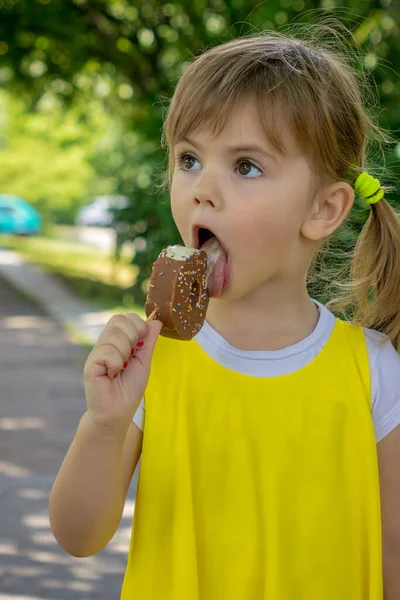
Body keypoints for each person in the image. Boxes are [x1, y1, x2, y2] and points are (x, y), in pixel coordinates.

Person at [49, 29, 400, 599]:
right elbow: (77, 535)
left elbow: (393, 562)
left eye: (246, 167)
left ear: (323, 208)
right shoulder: (153, 359)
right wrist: (104, 426)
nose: (202, 189)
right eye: (189, 158)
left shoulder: (374, 373)